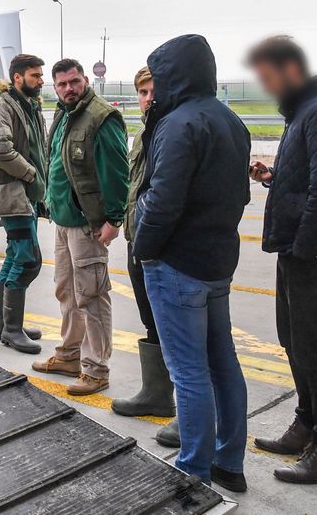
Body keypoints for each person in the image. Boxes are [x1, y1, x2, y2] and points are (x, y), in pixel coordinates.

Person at [133, 34, 250, 493]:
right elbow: (238, 193)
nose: (155, 88)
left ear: (173, 76)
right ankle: (229, 463)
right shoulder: (230, 120)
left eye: (158, 77)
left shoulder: (178, 123)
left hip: (177, 263)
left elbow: (163, 201)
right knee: (223, 364)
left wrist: (145, 249)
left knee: (188, 372)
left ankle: (193, 470)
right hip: (217, 261)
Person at [247, 36, 317, 484]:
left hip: (313, 255)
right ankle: (306, 424)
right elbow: (306, 181)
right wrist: (274, 177)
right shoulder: (304, 114)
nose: (267, 88)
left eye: (269, 78)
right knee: (295, 345)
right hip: (296, 250)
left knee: (316, 352)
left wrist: (305, 248)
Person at [31, 58, 128, 396]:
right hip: (62, 219)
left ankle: (96, 370)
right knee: (66, 291)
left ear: (85, 80)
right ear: (54, 88)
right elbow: (54, 161)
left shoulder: (101, 118)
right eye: (62, 84)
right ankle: (70, 355)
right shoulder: (63, 113)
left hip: (88, 223)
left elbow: (117, 173)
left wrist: (114, 219)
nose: (68, 89)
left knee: (92, 295)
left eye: (74, 82)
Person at [111, 67, 178, 444]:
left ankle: (187, 412)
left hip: (161, 249)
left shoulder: (172, 132)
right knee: (152, 323)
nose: (147, 98)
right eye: (142, 92)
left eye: (153, 90)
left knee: (178, 333)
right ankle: (156, 395)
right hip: (137, 241)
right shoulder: (144, 133)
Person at [0, 53, 49, 354]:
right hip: (12, 193)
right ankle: (12, 329)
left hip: (26, 195)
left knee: (14, 256)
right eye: (35, 75)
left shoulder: (29, 106)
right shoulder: (4, 105)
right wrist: (31, 174)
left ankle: (4, 326)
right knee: (28, 259)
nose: (41, 81)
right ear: (18, 77)